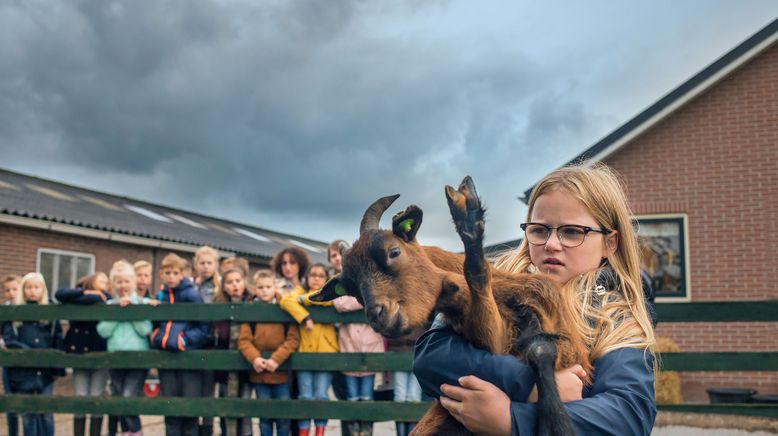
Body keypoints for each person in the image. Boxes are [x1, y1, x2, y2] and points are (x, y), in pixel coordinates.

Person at [413, 164, 657, 435]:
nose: (552, 243)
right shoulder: (492, 284)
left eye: (572, 232)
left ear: (610, 243)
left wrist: (511, 420)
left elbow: (627, 415)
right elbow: (431, 358)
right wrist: (532, 384)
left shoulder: (615, 316)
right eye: (540, 230)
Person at [150, 253, 211, 436]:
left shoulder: (192, 294)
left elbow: (204, 327)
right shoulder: (161, 295)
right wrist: (157, 337)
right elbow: (155, 323)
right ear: (161, 274)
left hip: (189, 358)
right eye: (167, 273)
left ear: (182, 274)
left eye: (175, 273)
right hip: (167, 358)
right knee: (170, 406)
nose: (171, 277)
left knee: (189, 408)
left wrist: (184, 340)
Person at [97, 260, 159, 436]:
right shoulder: (110, 305)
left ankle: (137, 432)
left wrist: (132, 312)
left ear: (133, 282)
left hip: (137, 360)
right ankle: (128, 432)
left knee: (127, 398)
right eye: (119, 281)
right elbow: (103, 331)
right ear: (113, 284)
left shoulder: (141, 302)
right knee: (119, 399)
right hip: (115, 359)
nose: (123, 285)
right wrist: (118, 312)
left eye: (126, 281)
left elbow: (144, 329)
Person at [239, 269, 301, 436]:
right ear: (255, 289)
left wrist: (276, 359)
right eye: (260, 287)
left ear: (275, 287)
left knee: (283, 417)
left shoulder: (285, 308)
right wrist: (255, 358)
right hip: (260, 374)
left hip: (280, 373)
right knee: (264, 417)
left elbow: (293, 338)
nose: (264, 290)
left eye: (268, 286)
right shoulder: (250, 310)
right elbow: (244, 340)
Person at [3, 273, 64, 436]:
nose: (32, 291)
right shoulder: (16, 312)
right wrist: (30, 353)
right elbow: (9, 339)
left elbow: (58, 339)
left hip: (45, 371)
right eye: (28, 287)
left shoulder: (51, 312)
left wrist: (58, 368)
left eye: (36, 287)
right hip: (23, 371)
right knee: (28, 413)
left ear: (43, 289)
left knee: (46, 412)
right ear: (23, 290)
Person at [280, 264, 337, 436]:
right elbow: (286, 301)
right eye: (313, 274)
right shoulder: (299, 290)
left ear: (326, 279)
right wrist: (304, 317)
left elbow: (329, 300)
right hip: (304, 351)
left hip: (326, 351)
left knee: (321, 395)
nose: (316, 278)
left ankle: (319, 431)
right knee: (305, 396)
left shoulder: (328, 292)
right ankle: (304, 433)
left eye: (321, 275)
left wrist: (305, 300)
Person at [56, 272, 112, 436]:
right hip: (79, 354)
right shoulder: (77, 295)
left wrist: (91, 296)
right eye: (101, 279)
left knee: (96, 396)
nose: (106, 282)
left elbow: (98, 300)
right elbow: (59, 294)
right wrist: (83, 292)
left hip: (99, 353)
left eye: (107, 281)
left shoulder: (105, 298)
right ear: (90, 281)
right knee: (80, 396)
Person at [212, 268, 253, 436]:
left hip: (245, 363)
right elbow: (220, 333)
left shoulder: (252, 303)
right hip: (224, 364)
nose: (234, 285)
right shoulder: (219, 306)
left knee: (244, 405)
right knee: (225, 405)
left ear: (244, 282)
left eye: (237, 280)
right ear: (224, 287)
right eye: (229, 282)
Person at [2, 275, 21, 436]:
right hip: (9, 360)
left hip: (25, 358)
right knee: (10, 398)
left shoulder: (28, 308)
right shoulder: (4, 310)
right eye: (7, 290)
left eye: (15, 289)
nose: (11, 293)